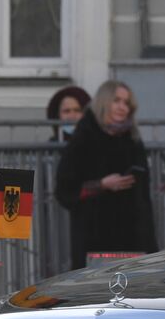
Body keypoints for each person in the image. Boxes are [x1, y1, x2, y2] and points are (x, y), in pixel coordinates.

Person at [54, 80, 158, 270]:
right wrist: (101, 185)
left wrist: (149, 243)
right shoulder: (84, 137)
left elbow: (144, 199)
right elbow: (65, 190)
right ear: (104, 101)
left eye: (126, 103)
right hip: (94, 236)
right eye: (117, 101)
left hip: (133, 237)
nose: (122, 107)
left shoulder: (132, 139)